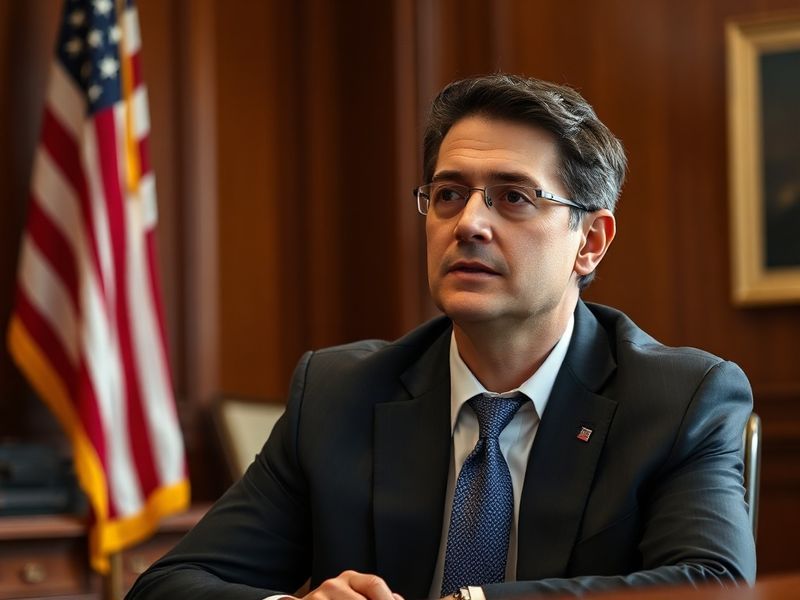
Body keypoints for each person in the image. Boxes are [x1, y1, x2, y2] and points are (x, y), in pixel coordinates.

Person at [126, 74, 756, 600]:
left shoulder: (679, 400)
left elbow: (713, 584)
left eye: (513, 197)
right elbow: (172, 584)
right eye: (449, 195)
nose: (470, 224)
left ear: (589, 241)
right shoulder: (338, 394)